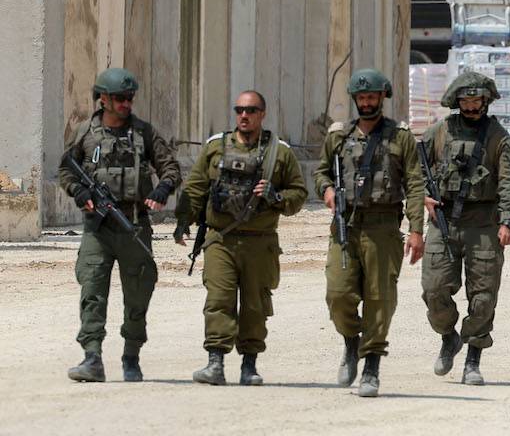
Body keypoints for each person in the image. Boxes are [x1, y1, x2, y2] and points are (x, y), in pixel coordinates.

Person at [175, 90, 308, 386]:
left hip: (260, 241)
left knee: (255, 304)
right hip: (220, 240)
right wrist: (184, 219)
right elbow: (195, 187)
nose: (244, 115)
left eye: (250, 110)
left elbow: (299, 194)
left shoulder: (279, 152)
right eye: (239, 110)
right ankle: (215, 363)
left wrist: (275, 196)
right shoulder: (215, 147)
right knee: (218, 299)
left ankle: (249, 365)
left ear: (262, 114)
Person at [58, 68, 181, 383]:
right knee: (92, 291)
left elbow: (171, 168)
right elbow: (66, 170)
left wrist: (161, 190)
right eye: (120, 98)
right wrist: (80, 192)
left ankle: (131, 356)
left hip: (134, 224)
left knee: (138, 292)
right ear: (103, 99)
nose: (127, 103)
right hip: (97, 229)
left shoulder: (143, 134)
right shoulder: (86, 133)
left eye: (130, 98)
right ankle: (92, 357)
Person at [313, 68, 426, 398]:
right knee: (338, 293)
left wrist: (416, 230)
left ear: (382, 98)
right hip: (345, 226)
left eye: (372, 96)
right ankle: (352, 342)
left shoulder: (399, 137)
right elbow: (321, 172)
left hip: (383, 228)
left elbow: (415, 185)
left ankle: (371, 365)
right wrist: (327, 190)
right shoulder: (339, 136)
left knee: (379, 299)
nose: (366, 102)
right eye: (361, 97)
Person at [420, 70, 510, 385]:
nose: (471, 105)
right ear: (457, 100)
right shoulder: (438, 132)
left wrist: (506, 220)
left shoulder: (498, 138)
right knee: (434, 290)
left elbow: (509, 182)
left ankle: (473, 360)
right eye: (465, 99)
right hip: (443, 220)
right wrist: (423, 196)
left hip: (483, 223)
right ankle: (448, 336)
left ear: (485, 100)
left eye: (476, 99)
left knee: (482, 297)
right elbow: (416, 170)